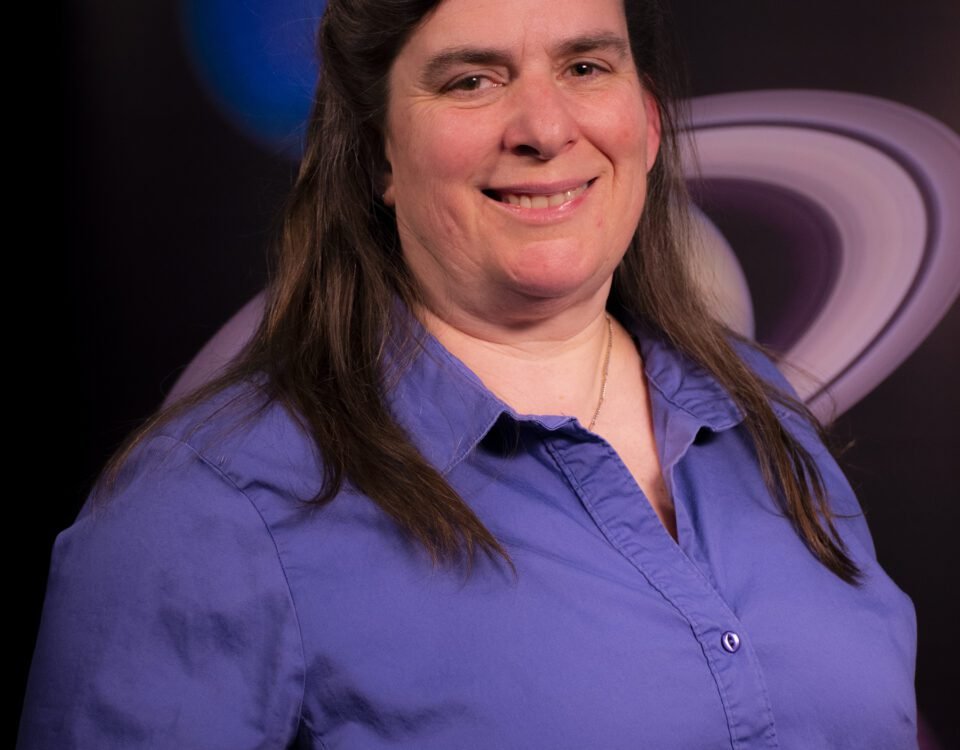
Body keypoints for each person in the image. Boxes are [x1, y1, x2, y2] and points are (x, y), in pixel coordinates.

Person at [19, 0, 918, 747]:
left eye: (585, 67)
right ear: (378, 152)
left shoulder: (761, 412)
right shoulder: (210, 512)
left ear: (644, 118)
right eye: (472, 80)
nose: (543, 128)